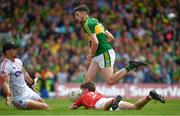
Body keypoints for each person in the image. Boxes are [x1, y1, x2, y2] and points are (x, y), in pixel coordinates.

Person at [73, 5, 149, 85]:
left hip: (104, 53)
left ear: (84, 14)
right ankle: (93, 97)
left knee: (110, 81)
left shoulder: (87, 24)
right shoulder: (95, 21)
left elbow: (95, 42)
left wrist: (91, 53)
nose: (75, 17)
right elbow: (111, 37)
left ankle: (131, 66)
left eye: (77, 15)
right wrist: (100, 45)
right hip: (99, 54)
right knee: (87, 82)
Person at [0, 42, 49, 110]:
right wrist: (7, 94)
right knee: (44, 107)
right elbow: (5, 83)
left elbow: (25, 73)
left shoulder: (18, 61)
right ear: (7, 51)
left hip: (27, 91)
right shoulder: (5, 66)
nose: (16, 50)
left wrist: (32, 83)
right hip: (18, 97)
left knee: (46, 106)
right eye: (14, 49)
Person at [69, 82, 165, 111]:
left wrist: (75, 104)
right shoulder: (97, 93)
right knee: (135, 107)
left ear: (86, 90)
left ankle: (113, 101)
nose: (81, 92)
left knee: (102, 109)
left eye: (82, 90)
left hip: (104, 103)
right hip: (107, 99)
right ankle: (149, 96)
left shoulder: (82, 97)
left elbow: (71, 108)